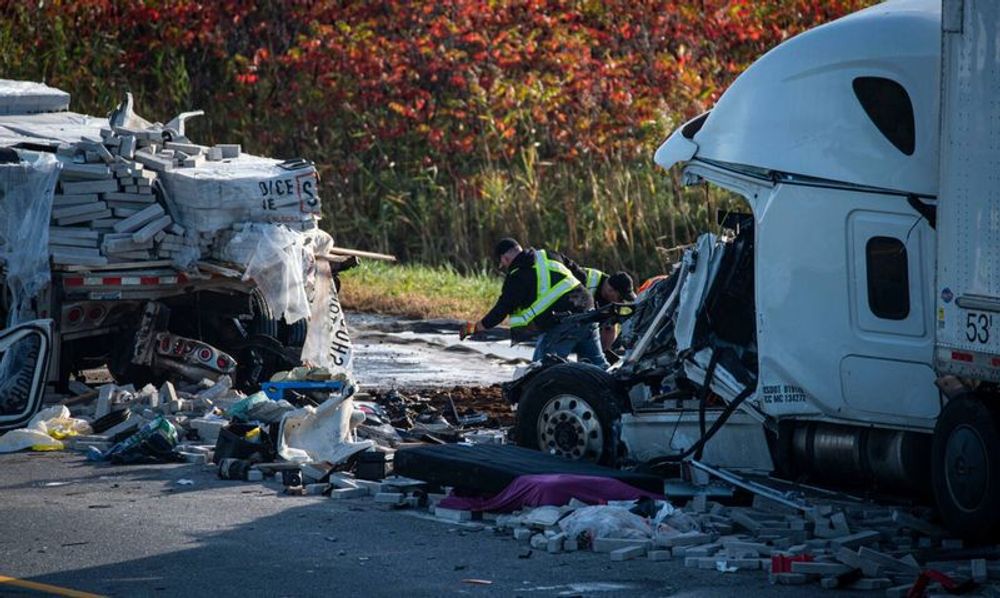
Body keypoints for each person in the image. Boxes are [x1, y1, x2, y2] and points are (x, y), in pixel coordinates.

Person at [460, 238, 609, 368]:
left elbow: (501, 311)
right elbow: (581, 275)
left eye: (503, 264)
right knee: (597, 365)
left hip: (562, 322)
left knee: (541, 372)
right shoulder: (549, 255)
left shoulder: (517, 276)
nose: (505, 267)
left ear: (504, 259)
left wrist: (475, 328)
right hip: (588, 311)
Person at [580, 267, 636, 351]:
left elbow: (610, 327)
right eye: (620, 298)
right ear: (610, 290)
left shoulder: (609, 290)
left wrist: (605, 351)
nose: (621, 302)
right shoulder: (584, 280)